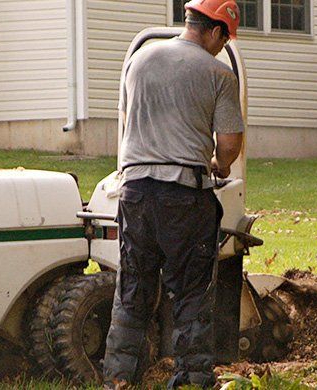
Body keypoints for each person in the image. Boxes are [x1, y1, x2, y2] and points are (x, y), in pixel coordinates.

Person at [101, 0, 244, 388]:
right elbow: (229, 144)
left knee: (133, 288)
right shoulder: (219, 73)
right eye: (224, 37)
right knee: (192, 294)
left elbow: (131, 121)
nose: (222, 44)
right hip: (183, 195)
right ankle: (192, 381)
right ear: (215, 31)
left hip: (133, 193)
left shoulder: (139, 60)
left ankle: (118, 379)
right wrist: (221, 164)